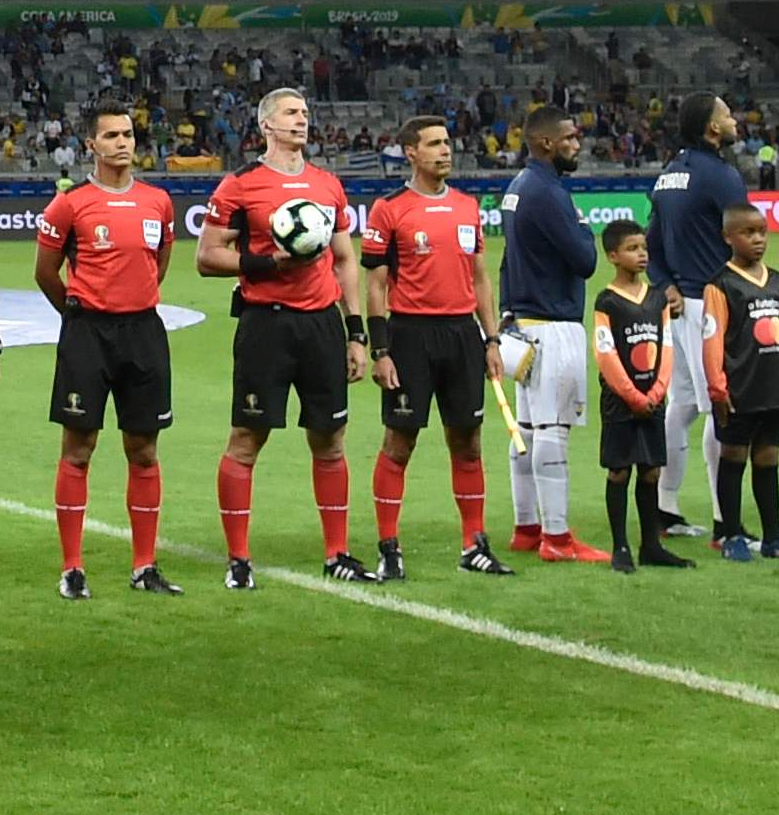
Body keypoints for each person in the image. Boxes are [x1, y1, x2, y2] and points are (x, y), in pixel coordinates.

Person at [193, 85, 352, 589]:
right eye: (290, 113)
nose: (301, 120)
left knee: (329, 439)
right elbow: (207, 257)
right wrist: (269, 263)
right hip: (267, 323)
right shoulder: (240, 186)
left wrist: (358, 333)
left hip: (323, 322)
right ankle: (238, 559)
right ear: (267, 125)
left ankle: (337, 553)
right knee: (246, 438)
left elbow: (345, 260)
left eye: (305, 112)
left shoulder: (328, 185)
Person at [34, 103, 181, 595]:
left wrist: (130, 299)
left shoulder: (158, 202)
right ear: (90, 145)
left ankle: (145, 566)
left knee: (144, 449)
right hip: (88, 335)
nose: (123, 142)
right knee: (79, 448)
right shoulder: (70, 205)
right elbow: (45, 272)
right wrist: (77, 315)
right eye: (111, 135)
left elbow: (158, 265)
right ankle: (72, 568)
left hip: (143, 332)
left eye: (128, 134)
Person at [354, 113, 504, 580]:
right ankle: (388, 547)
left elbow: (480, 278)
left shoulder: (466, 206)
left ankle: (473, 544)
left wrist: (492, 339)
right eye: (434, 144)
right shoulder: (389, 209)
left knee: (469, 442)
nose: (445, 150)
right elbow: (375, 286)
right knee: (400, 442)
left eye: (448, 142)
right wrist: (381, 351)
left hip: (462, 335)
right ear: (411, 152)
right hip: (411, 336)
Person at [496, 105, 603, 562]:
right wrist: (585, 227)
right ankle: (557, 538)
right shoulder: (550, 192)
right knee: (552, 430)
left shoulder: (518, 188)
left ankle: (527, 527)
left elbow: (507, 260)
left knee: (526, 430)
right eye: (570, 138)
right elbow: (585, 261)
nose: (576, 145)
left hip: (521, 322)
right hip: (553, 326)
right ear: (545, 142)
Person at [642, 95, 745, 538]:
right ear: (711, 129)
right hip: (714, 303)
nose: (734, 119)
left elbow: (652, 243)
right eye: (726, 114)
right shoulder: (721, 176)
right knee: (721, 409)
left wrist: (665, 285)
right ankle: (727, 520)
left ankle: (665, 506)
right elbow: (743, 237)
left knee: (682, 406)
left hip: (680, 303)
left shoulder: (668, 175)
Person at [704, 196, 779, 560]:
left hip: (773, 383)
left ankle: (774, 538)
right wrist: (718, 387)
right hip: (739, 386)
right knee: (734, 455)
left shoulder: (777, 282)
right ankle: (731, 535)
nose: (758, 239)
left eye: (762, 232)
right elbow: (713, 338)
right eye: (748, 233)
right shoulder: (721, 285)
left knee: (769, 457)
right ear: (728, 237)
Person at [588, 218, 687, 571]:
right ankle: (621, 547)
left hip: (653, 398)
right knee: (619, 471)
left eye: (644, 248)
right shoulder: (607, 301)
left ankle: (651, 545)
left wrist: (658, 390)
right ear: (613, 256)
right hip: (621, 402)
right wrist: (632, 395)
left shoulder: (658, 297)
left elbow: (667, 346)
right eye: (632, 249)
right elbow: (605, 353)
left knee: (650, 471)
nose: (642, 255)